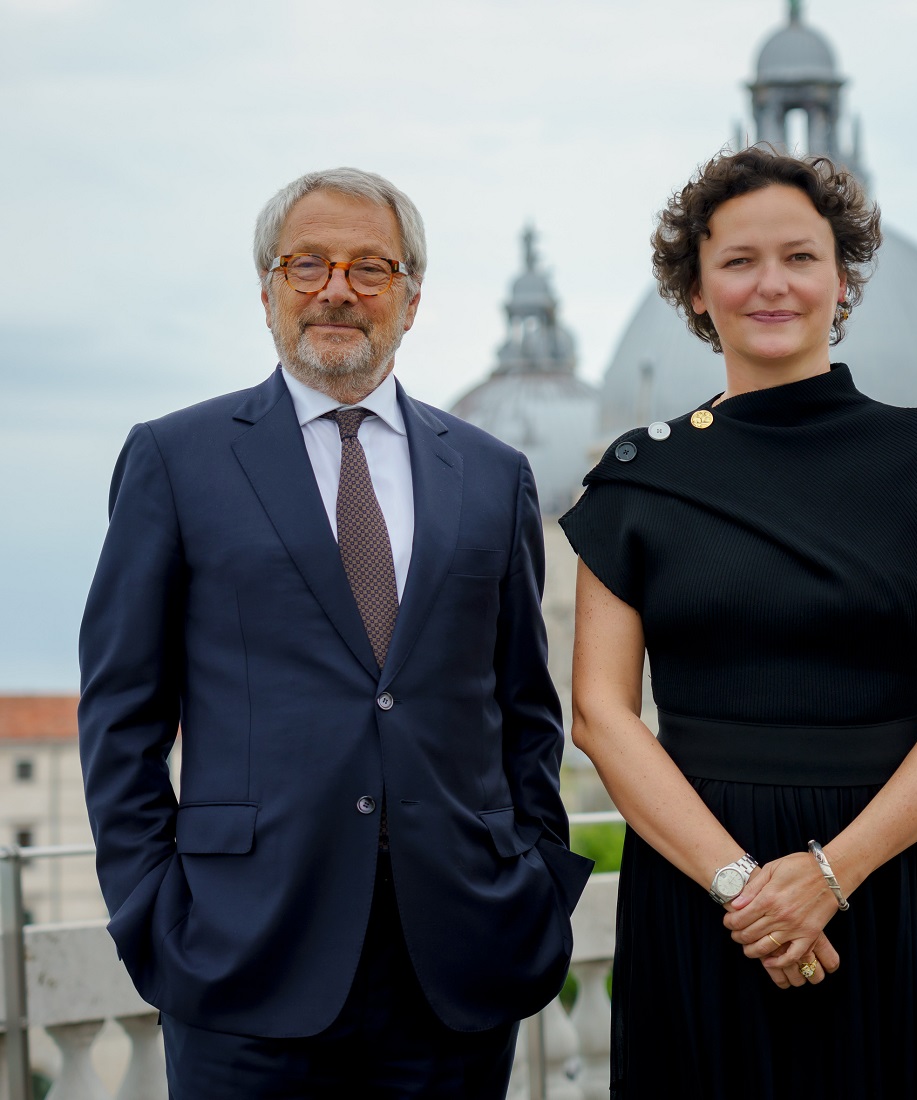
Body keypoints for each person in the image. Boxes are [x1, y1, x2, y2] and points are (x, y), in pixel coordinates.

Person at [78, 167, 593, 1100]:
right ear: (269, 290)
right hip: (243, 960)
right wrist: (152, 911)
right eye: (307, 265)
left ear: (411, 296)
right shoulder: (176, 459)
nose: (337, 290)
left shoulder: (492, 471)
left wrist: (535, 885)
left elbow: (526, 708)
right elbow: (122, 714)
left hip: (456, 966)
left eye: (370, 267)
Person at [560, 146, 917, 1098]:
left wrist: (829, 875)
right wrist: (747, 889)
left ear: (843, 278)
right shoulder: (637, 477)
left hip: (889, 878)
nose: (771, 284)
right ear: (695, 290)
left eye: (802, 257)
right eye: (737, 261)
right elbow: (600, 716)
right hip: (703, 894)